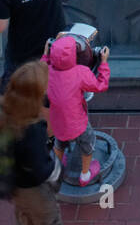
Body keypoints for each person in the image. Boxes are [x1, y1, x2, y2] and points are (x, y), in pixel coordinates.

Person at [0, 60, 64, 225]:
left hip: (16, 188)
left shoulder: (6, 117)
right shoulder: (34, 129)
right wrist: (56, 169)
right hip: (35, 191)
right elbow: (39, 168)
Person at [43, 35, 110, 186]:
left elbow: (42, 65)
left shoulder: (47, 71)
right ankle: (85, 175)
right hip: (78, 123)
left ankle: (57, 169)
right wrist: (103, 62)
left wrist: (46, 54)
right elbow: (101, 85)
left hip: (57, 121)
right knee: (88, 144)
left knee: (60, 142)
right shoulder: (81, 72)